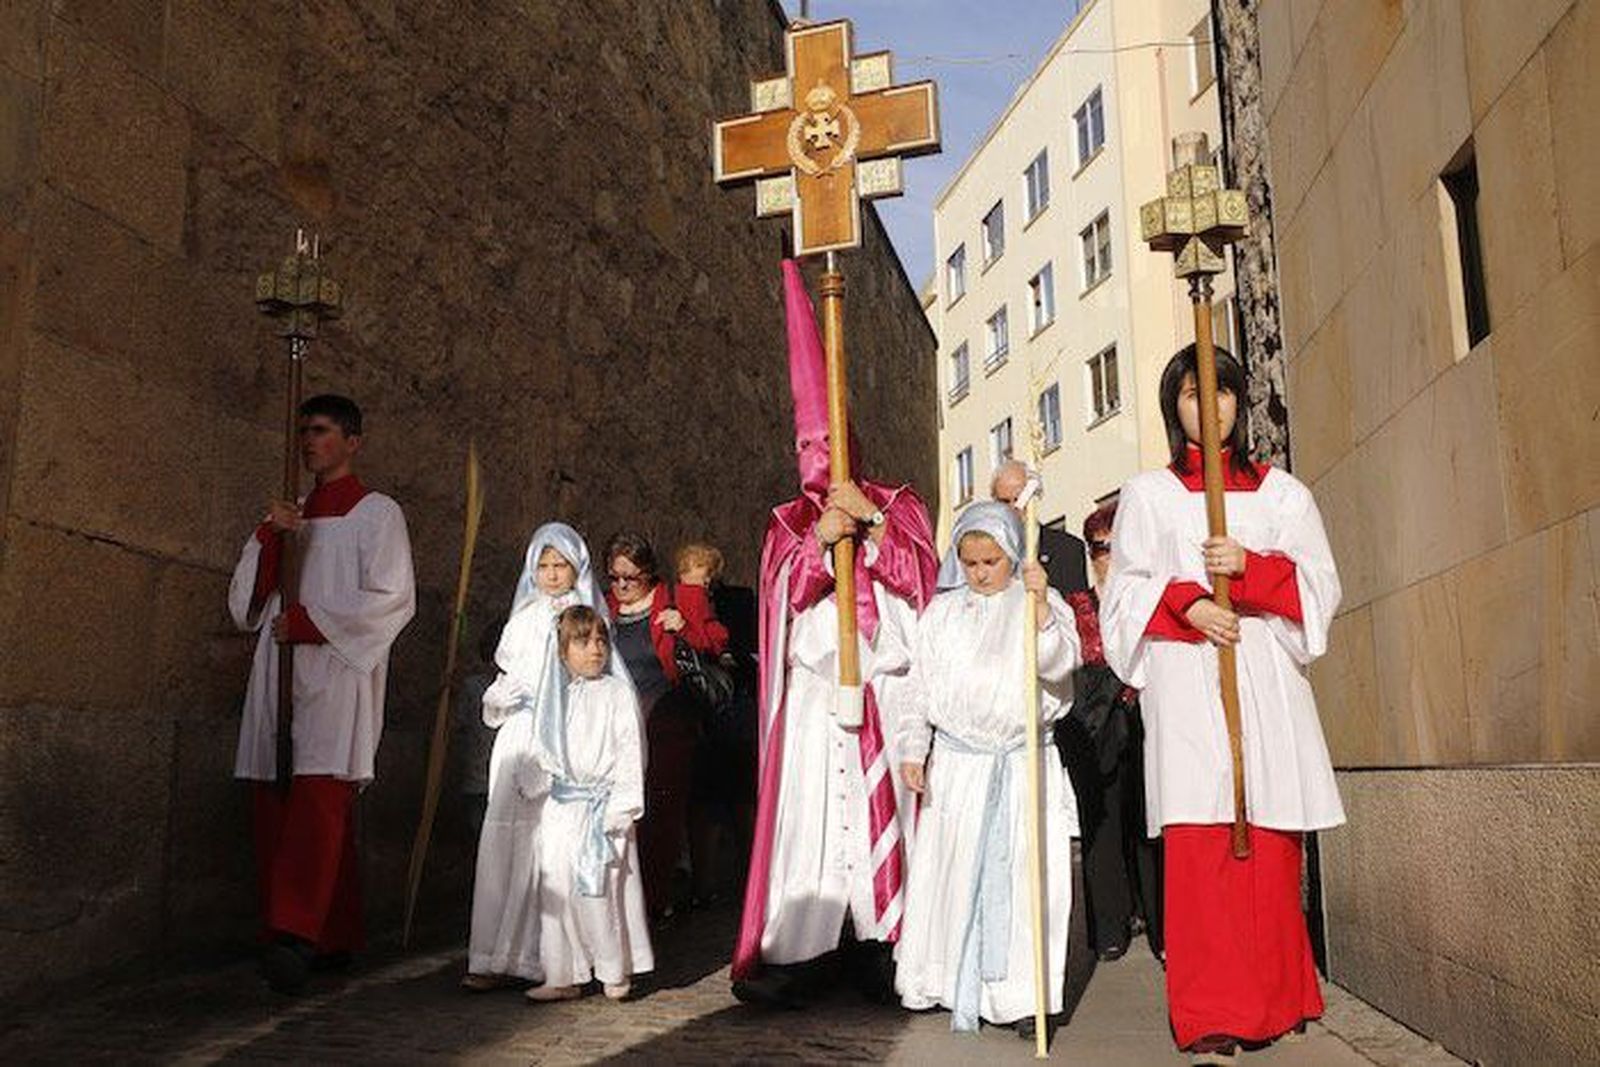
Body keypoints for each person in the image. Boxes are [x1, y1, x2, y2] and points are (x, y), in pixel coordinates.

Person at [1100, 345, 1344, 1063]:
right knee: (1203, 853)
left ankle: (1276, 998)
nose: (1208, 408)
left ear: (1240, 400)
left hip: (1264, 683)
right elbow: (1124, 593)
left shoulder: (1282, 495)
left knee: (1268, 846)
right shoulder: (1147, 494)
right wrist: (1190, 605)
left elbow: (1321, 587)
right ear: (1172, 409)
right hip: (1188, 687)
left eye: (1223, 393)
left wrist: (1252, 568)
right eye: (1189, 396)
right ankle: (1209, 1009)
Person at [732, 259, 940, 1008]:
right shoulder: (789, 522)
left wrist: (874, 524)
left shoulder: (899, 502)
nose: (816, 460)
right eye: (807, 449)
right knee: (816, 823)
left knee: (886, 812)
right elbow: (778, 597)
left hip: (883, 687)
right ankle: (804, 949)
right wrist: (823, 541)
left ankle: (891, 942)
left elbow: (924, 575)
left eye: (827, 444)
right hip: (819, 697)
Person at [228, 394, 416, 995]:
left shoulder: (377, 513)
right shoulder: (293, 512)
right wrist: (270, 535)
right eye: (304, 431)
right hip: (280, 664)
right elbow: (247, 605)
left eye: (323, 431)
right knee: (279, 793)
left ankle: (292, 935)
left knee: (318, 798)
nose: (309, 442)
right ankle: (331, 933)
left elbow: (392, 597)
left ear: (353, 441)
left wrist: (312, 623)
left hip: (335, 669)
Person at [895, 502, 1080, 1036]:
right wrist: (914, 746)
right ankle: (950, 979)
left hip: (1021, 766)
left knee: (1026, 878)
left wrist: (1042, 605)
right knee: (951, 872)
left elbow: (1058, 663)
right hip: (959, 764)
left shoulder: (1039, 602)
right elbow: (919, 687)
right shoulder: (941, 614)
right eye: (970, 563)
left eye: (991, 562)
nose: (980, 574)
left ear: (1012, 556)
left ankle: (1026, 995)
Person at [464, 523, 620, 991]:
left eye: (561, 565)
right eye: (544, 565)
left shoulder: (587, 618)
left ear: (578, 567)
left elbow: (596, 681)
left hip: (565, 742)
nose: (552, 575)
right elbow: (509, 672)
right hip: (520, 738)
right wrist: (508, 695)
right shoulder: (524, 618)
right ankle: (494, 955)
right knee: (508, 842)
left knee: (553, 847)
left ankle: (553, 960)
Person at [527, 605, 654, 1002]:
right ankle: (564, 971)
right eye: (582, 642)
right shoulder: (556, 698)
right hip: (563, 807)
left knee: (601, 887)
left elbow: (629, 749)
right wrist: (537, 784)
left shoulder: (616, 693)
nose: (595, 649)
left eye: (601, 640)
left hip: (603, 807)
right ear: (563, 651)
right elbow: (542, 747)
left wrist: (622, 804)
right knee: (558, 886)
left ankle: (613, 968)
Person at [1056, 502, 1163, 964]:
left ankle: (1163, 927)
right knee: (1102, 828)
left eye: (1118, 548)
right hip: (1093, 728)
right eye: (1100, 548)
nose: (1109, 558)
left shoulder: (1149, 600)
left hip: (1144, 725)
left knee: (1149, 827)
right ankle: (1110, 928)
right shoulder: (1077, 606)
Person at [604, 532, 727, 922]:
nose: (622, 586)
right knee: (621, 817)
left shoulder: (677, 600)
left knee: (660, 816)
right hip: (617, 730)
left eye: (631, 578)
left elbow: (716, 640)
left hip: (666, 725)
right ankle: (618, 902)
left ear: (649, 574)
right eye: (615, 577)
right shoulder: (603, 609)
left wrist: (683, 628)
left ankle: (651, 903)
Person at [679, 542, 758, 908]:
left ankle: (751, 876)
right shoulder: (677, 600)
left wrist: (721, 649)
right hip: (699, 710)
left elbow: (744, 651)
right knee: (702, 799)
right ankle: (703, 883)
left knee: (741, 796)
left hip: (734, 708)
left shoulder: (737, 601)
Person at [991, 459, 1089, 597]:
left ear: (1036, 497)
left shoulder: (1067, 549)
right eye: (1005, 502)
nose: (1014, 507)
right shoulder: (983, 553)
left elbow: (1078, 610)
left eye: (1020, 499)